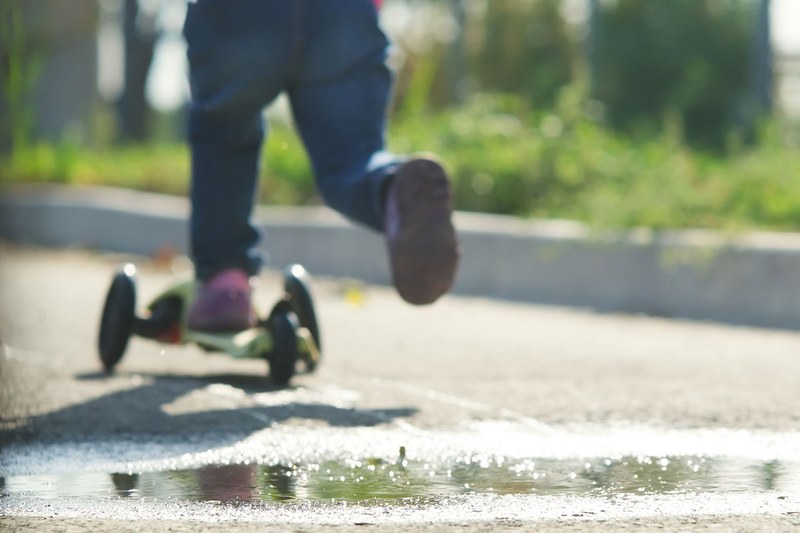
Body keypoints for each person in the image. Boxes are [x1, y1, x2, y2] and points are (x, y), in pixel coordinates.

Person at [183, 0, 460, 332]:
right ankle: (391, 189)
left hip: (241, 12)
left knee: (225, 137)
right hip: (342, 13)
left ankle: (226, 285)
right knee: (352, 158)